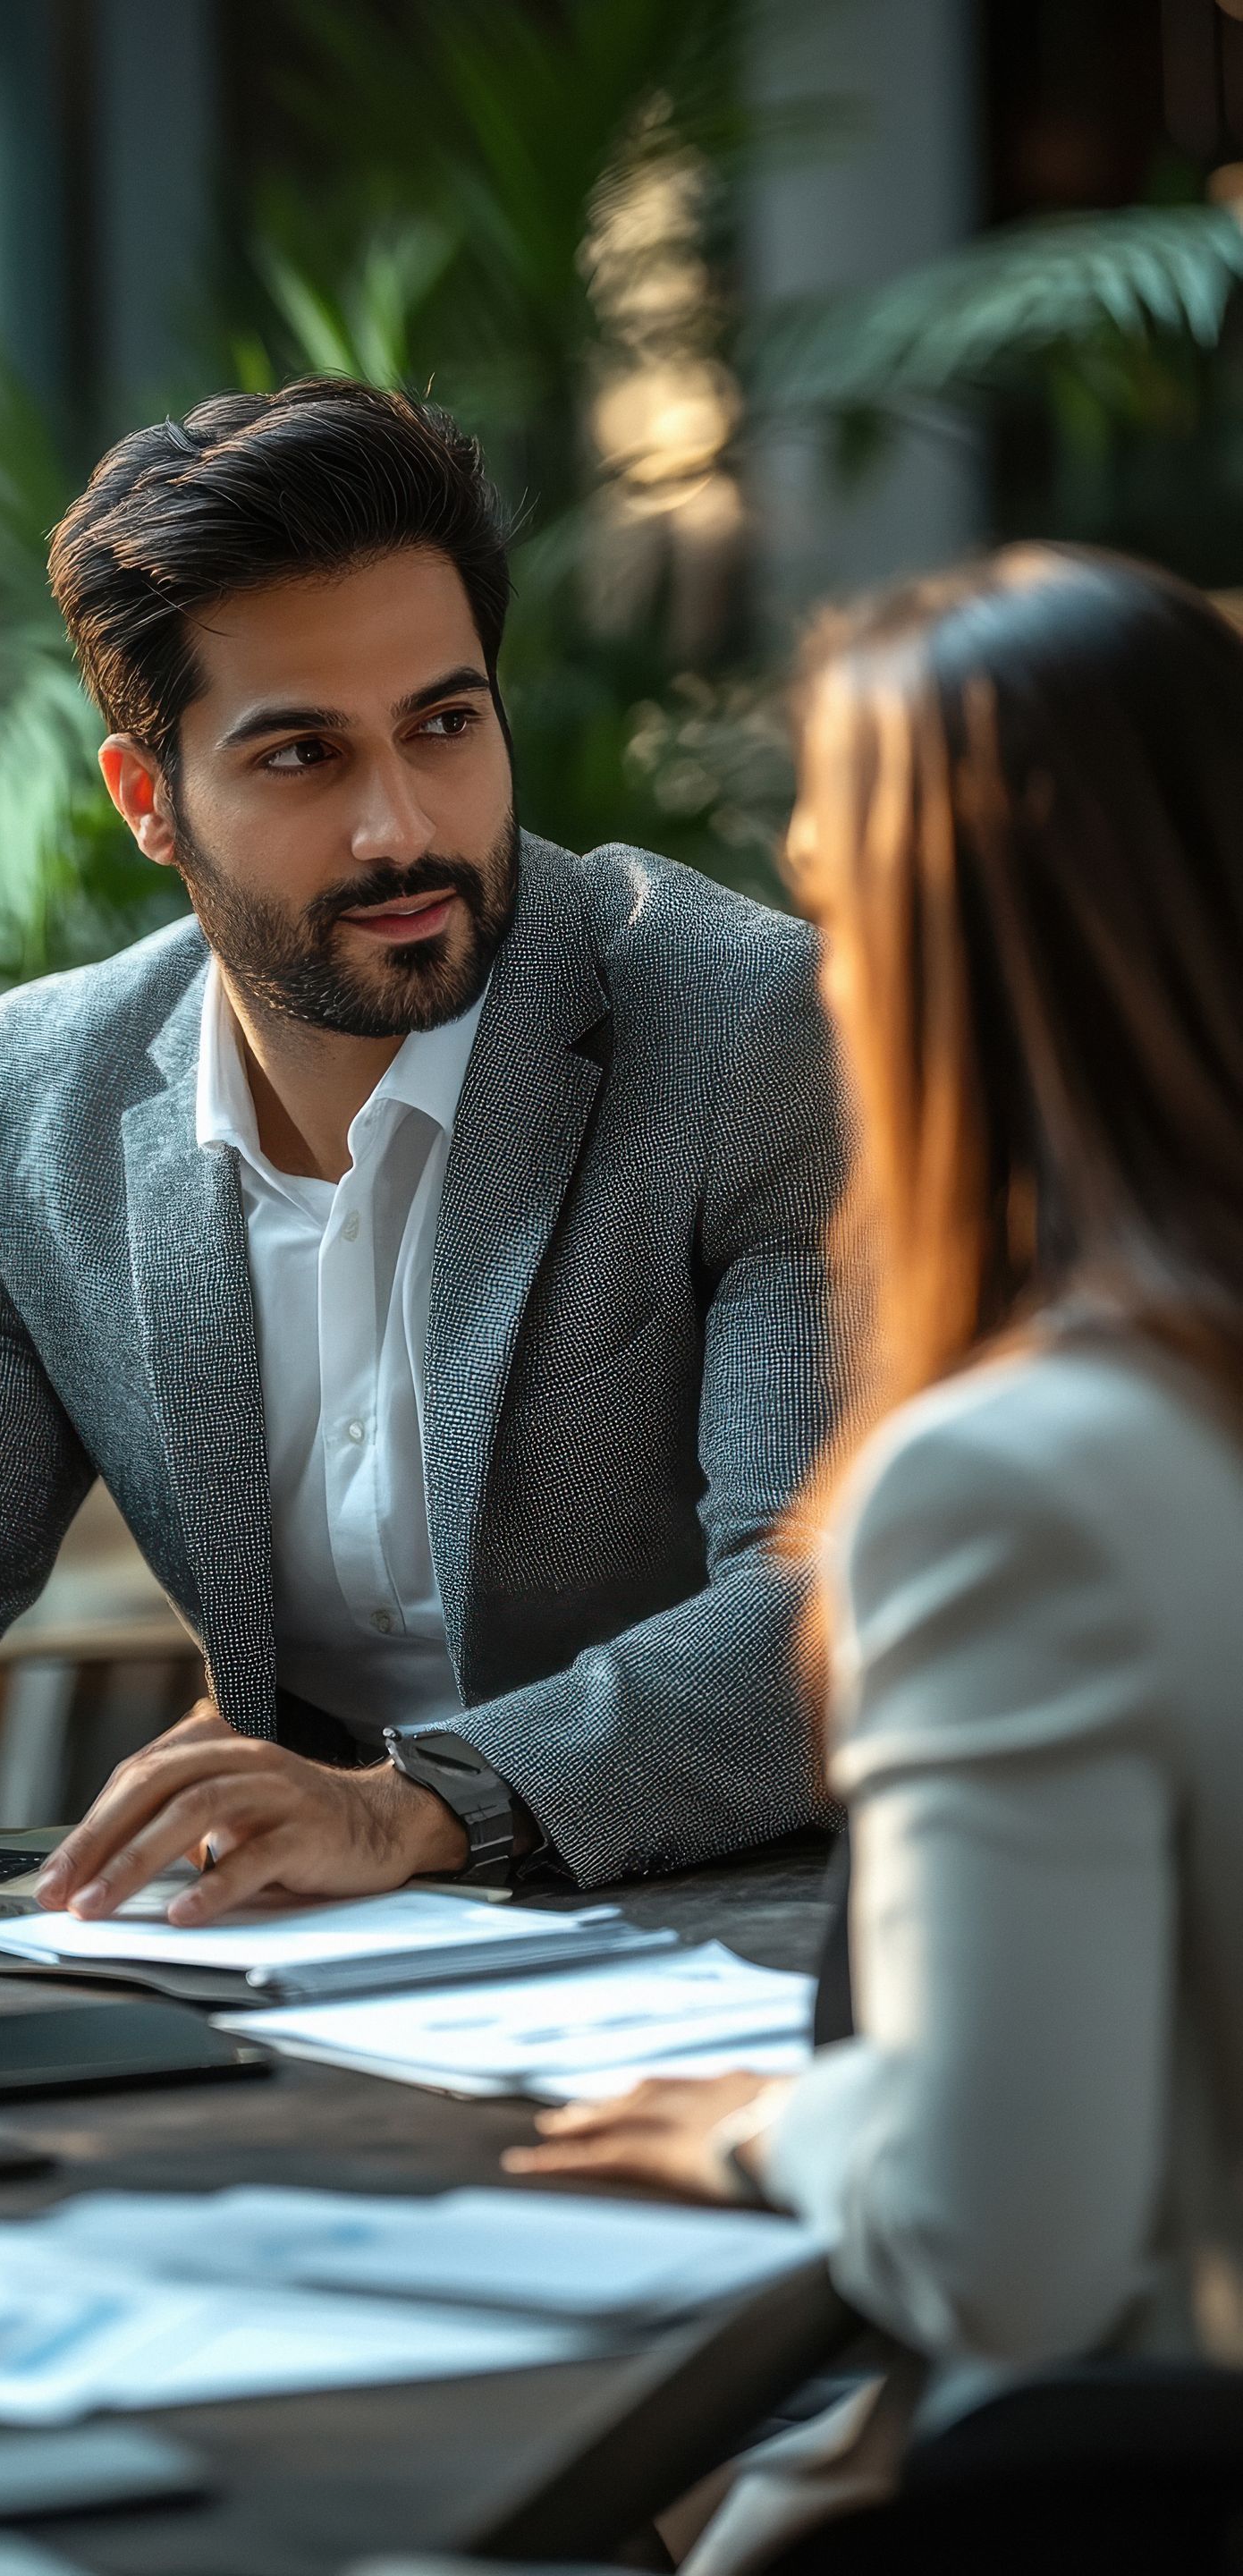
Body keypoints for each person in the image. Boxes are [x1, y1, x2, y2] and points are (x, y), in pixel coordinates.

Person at [0, 377, 847, 1923]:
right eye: (303, 757)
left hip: (729, 1909)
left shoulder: (747, 1027)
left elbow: (818, 1612)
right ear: (149, 798)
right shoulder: (42, 1095)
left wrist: (417, 1804)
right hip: (306, 1947)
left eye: (444, 725)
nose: (401, 828)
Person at [508, 544, 1243, 2563]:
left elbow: (997, 2240)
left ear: (953, 960)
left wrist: (767, 2128)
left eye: (839, 914)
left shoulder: (1011, 1484)